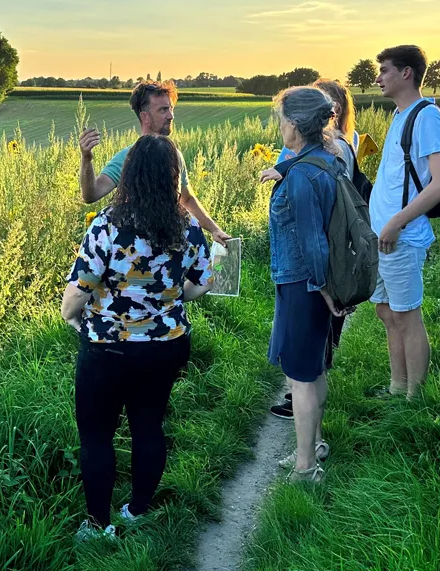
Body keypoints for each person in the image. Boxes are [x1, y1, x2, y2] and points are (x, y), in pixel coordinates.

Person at [61, 134, 215, 541]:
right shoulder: (189, 227)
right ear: (173, 177)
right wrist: (164, 294)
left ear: (128, 175)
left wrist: (70, 317)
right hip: (167, 345)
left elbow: (79, 289)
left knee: (96, 436)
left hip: (108, 348)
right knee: (149, 426)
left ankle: (97, 526)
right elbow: (200, 286)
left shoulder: (108, 225)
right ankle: (137, 510)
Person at [262, 86, 345, 483]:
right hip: (312, 283)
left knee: (301, 377)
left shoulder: (301, 175)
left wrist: (323, 290)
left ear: (294, 124)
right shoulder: (328, 160)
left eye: (281, 120)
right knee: (315, 369)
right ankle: (313, 445)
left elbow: (313, 240)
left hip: (303, 283)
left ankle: (305, 467)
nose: (279, 128)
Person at [367, 45, 440, 400]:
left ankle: (414, 399)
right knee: (387, 313)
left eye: (384, 70)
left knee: (407, 316)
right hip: (384, 236)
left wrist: (397, 223)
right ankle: (396, 387)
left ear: (407, 73)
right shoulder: (401, 114)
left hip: (400, 237)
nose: (378, 78)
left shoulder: (425, 116)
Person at [78, 80, 232, 245]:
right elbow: (91, 194)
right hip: (131, 253)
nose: (171, 116)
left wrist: (214, 230)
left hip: (169, 250)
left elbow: (186, 199)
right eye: (163, 110)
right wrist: (86, 158)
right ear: (145, 117)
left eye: (171, 108)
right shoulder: (128, 157)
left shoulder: (175, 156)